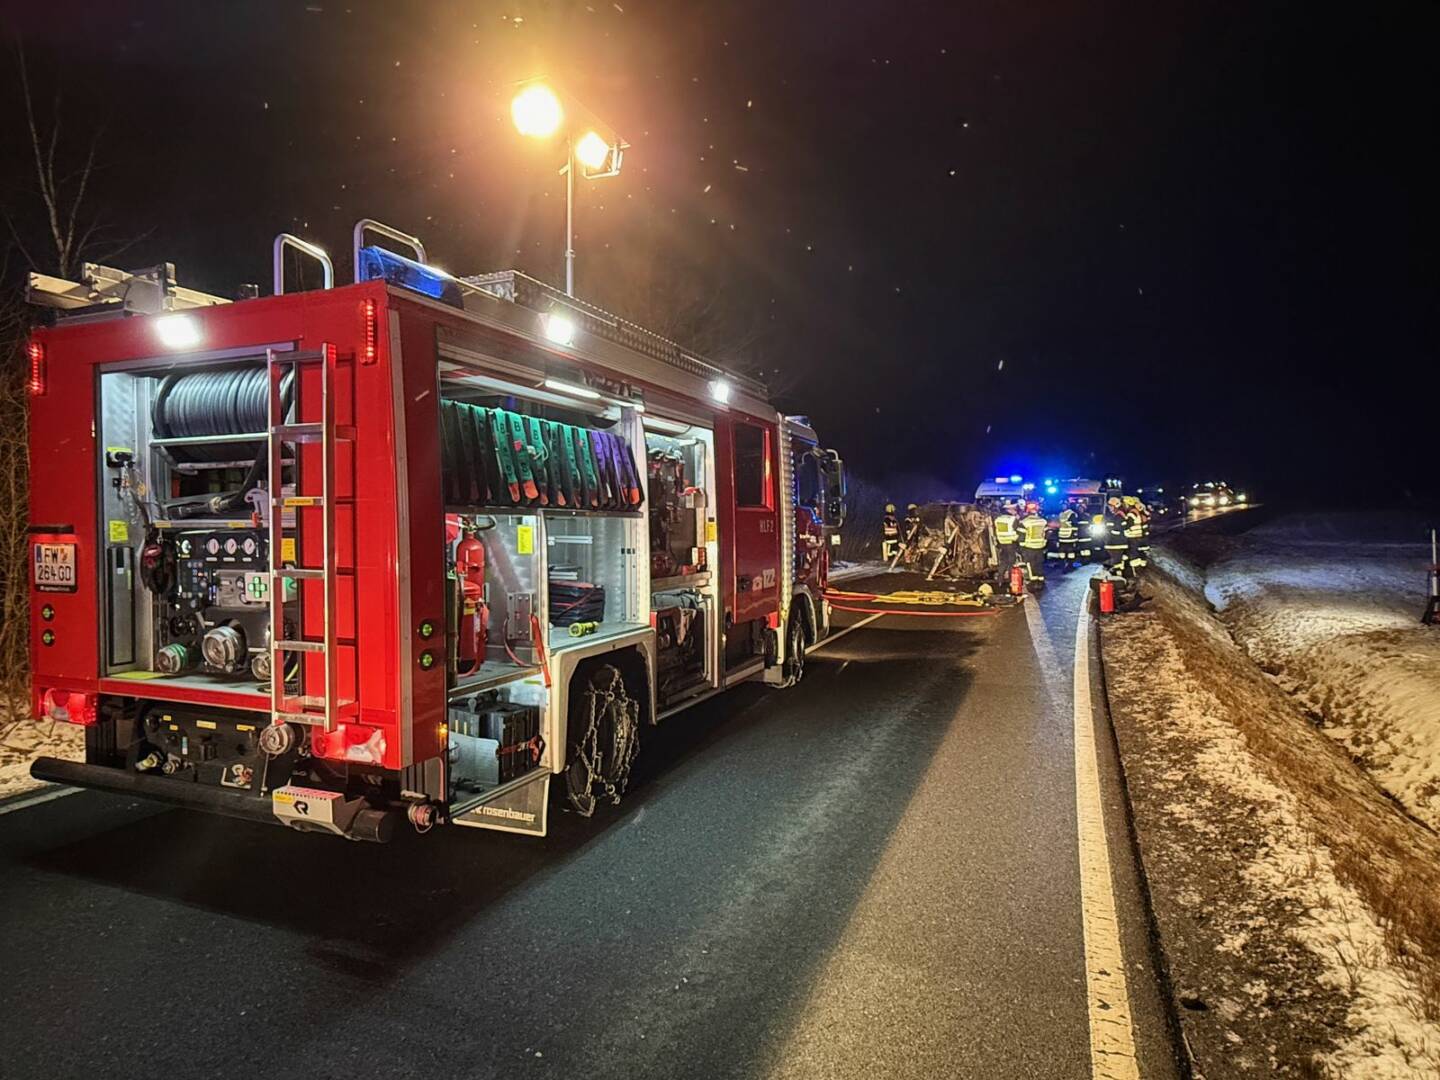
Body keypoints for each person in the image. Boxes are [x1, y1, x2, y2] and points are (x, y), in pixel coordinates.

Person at [1017, 500, 1049, 589]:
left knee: (1030, 565)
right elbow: (1047, 534)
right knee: (1039, 564)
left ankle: (1033, 582)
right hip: (1040, 546)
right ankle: (1041, 581)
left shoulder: (1024, 522)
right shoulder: (1043, 521)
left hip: (1029, 547)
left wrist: (1021, 548)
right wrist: (1045, 543)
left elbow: (1021, 536)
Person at [1103, 496, 1130, 577]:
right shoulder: (1119, 515)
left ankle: (1118, 576)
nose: (1110, 508)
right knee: (1117, 561)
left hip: (1116, 543)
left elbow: (1116, 530)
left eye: (1111, 506)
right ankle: (1119, 575)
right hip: (1117, 543)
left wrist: (1108, 531)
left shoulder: (1118, 516)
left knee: (1116, 561)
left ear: (1116, 506)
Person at [993, 501, 1020, 582]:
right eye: (1014, 509)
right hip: (1011, 543)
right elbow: (1018, 530)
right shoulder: (1012, 519)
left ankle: (1000, 579)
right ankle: (1011, 579)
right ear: (1010, 510)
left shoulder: (998, 519)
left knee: (1003, 561)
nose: (1015, 511)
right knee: (1011, 561)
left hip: (1002, 543)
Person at [1055, 504, 1079, 571]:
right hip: (1063, 536)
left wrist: (1074, 536)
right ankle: (1063, 564)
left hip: (1069, 536)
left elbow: (1075, 525)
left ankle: (1070, 565)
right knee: (1062, 552)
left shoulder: (1072, 514)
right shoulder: (1061, 514)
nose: (1062, 507)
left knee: (1070, 552)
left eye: (1064, 505)